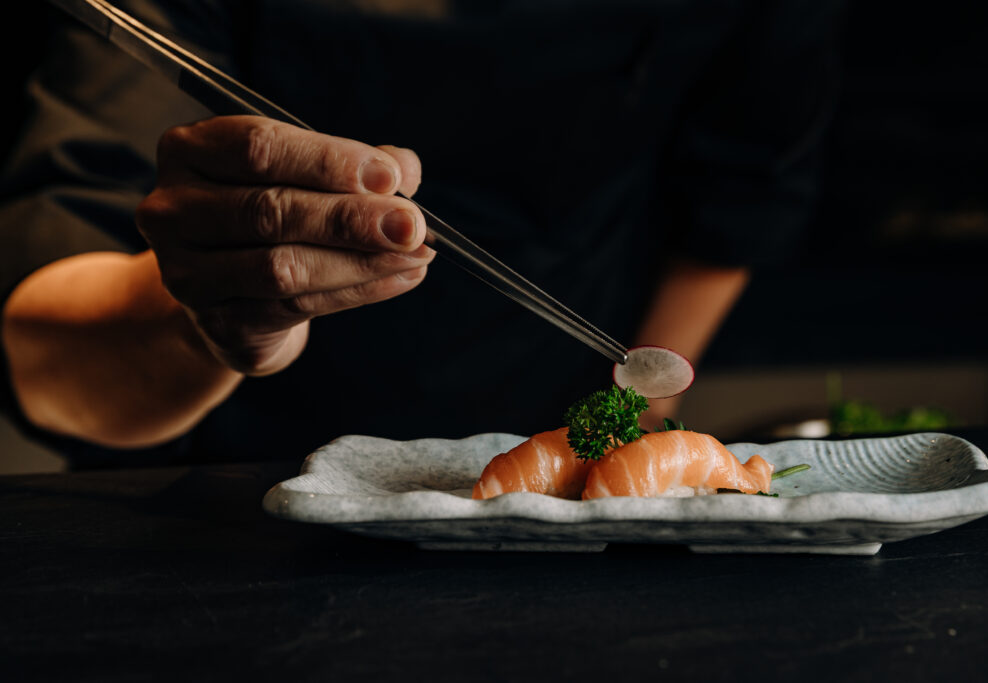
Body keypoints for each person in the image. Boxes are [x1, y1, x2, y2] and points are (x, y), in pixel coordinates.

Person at [0, 0, 843, 468]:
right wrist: (206, 319)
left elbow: (741, 194)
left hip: (554, 498)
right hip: (221, 504)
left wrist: (635, 434)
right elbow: (45, 359)